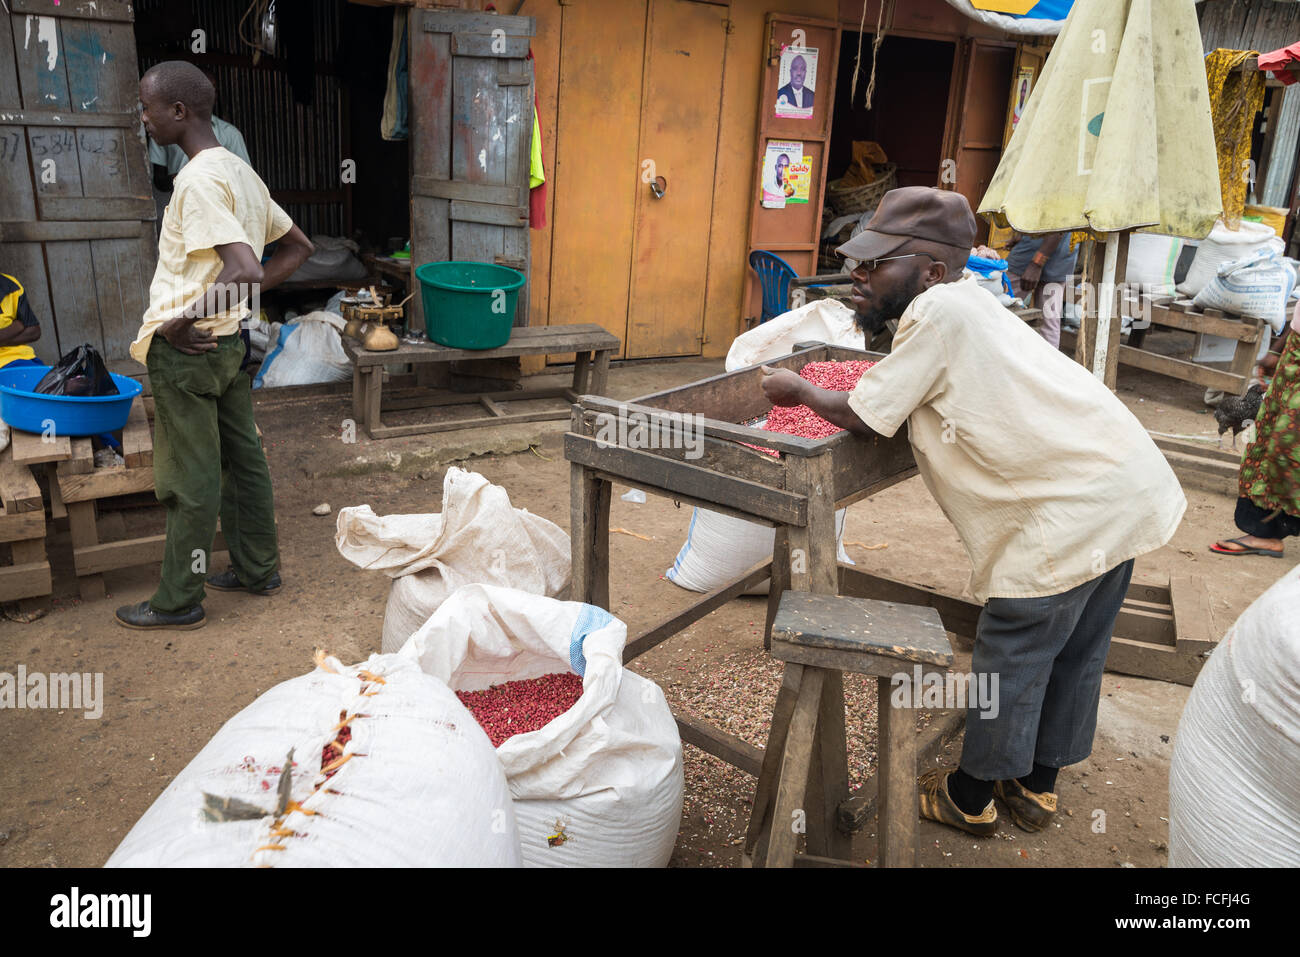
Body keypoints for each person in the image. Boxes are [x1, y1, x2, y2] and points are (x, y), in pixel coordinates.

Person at [760, 187, 1185, 837]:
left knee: (1013, 646)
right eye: (859, 262)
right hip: (1122, 491)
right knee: (1075, 650)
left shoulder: (936, 312)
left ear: (930, 271)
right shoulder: (966, 305)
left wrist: (797, 388)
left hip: (1071, 511)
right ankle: (1036, 787)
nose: (858, 274)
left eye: (876, 264)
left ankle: (970, 793)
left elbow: (866, 415)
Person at [115, 61, 313, 631]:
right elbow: (299, 248)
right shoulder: (241, 173)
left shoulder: (197, 179)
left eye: (147, 107)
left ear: (179, 112)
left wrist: (181, 321)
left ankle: (178, 600)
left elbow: (245, 264)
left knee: (191, 476)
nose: (143, 118)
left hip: (187, 352)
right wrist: (232, 301)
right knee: (244, 460)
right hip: (230, 347)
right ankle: (258, 570)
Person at [1210, 298, 1300, 558]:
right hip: (1294, 353)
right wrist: (1277, 350)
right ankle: (1266, 533)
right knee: (1271, 439)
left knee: (1289, 445)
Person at [1005, 231, 1077, 349]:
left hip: (1034, 251)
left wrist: (1036, 264)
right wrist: (1020, 232)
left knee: (998, 307)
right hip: (1060, 252)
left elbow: (1058, 228)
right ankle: (1047, 365)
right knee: (1049, 323)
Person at [0, 273, 42, 369]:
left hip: (21, 359)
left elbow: (34, 332)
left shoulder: (11, 285)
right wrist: (17, 326)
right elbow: (27, 324)